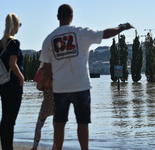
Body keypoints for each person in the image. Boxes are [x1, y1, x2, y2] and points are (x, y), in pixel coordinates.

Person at [39, 4, 134, 150]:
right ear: (72, 17)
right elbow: (105, 33)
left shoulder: (48, 39)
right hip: (80, 86)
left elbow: (47, 68)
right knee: (82, 124)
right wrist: (122, 27)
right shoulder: (81, 32)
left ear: (57, 17)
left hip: (60, 88)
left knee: (59, 124)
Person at [0, 13, 24, 150]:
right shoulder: (14, 42)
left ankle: (5, 147)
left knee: (5, 118)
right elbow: (12, 63)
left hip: (2, 84)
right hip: (13, 85)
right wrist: (21, 78)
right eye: (19, 25)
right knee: (11, 120)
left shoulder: (1, 43)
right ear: (15, 26)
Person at [31, 63, 56, 150]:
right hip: (56, 102)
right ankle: (54, 146)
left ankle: (35, 146)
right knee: (56, 126)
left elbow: (38, 87)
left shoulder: (41, 71)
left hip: (46, 103)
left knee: (39, 125)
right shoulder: (57, 69)